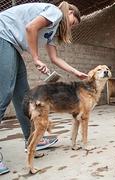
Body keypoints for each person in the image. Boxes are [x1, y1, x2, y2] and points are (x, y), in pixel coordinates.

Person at [0, 1, 88, 174]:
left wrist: (77, 72)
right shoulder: (55, 12)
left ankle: (31, 141)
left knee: (24, 98)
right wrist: (35, 58)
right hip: (3, 35)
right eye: (74, 21)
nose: (73, 26)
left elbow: (55, 59)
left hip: (13, 45)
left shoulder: (53, 30)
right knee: (4, 94)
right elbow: (31, 28)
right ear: (69, 11)